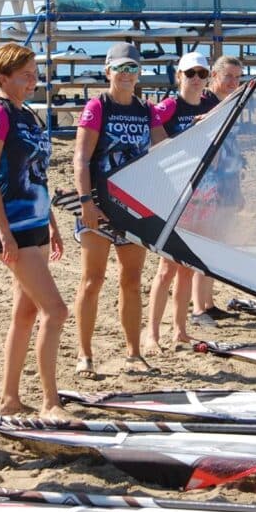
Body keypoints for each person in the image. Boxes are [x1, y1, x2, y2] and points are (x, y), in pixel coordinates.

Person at [0, 43, 71, 419]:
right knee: (57, 310)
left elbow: (37, 175)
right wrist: (4, 232)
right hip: (11, 228)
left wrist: (52, 223)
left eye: (35, 73)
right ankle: (51, 402)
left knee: (25, 314)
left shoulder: (28, 114)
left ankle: (10, 398)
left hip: (36, 224)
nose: (33, 80)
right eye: (25, 75)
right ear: (3, 78)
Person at [73, 42, 168, 378]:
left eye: (133, 69)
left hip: (133, 208)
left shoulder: (147, 110)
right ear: (108, 71)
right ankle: (84, 354)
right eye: (121, 69)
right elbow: (81, 158)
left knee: (131, 281)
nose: (127, 75)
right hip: (97, 206)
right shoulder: (98, 106)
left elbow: (165, 151)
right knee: (92, 281)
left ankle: (134, 353)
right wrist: (86, 203)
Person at [142, 52, 219, 351]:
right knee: (166, 269)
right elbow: (155, 145)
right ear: (179, 76)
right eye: (190, 74)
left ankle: (179, 330)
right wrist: (191, 132)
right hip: (175, 195)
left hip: (205, 193)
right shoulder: (169, 107)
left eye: (201, 73)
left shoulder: (213, 104)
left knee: (187, 266)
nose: (196, 79)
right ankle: (152, 332)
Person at [189, 55, 245, 325]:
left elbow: (234, 150)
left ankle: (208, 303)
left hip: (229, 181)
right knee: (204, 244)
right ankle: (198, 307)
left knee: (216, 243)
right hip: (208, 185)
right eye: (229, 76)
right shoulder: (205, 103)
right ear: (214, 75)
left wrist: (238, 188)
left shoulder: (232, 104)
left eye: (238, 77)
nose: (233, 82)